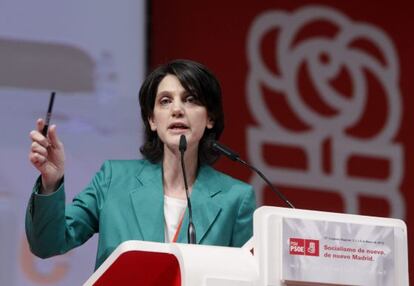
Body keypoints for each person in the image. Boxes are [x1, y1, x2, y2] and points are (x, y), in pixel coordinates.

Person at [26, 59, 256, 269]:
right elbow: (47, 244)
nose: (177, 110)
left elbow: (247, 278)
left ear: (210, 118)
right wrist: (51, 181)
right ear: (152, 120)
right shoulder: (113, 179)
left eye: (190, 99)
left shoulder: (235, 198)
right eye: (165, 101)